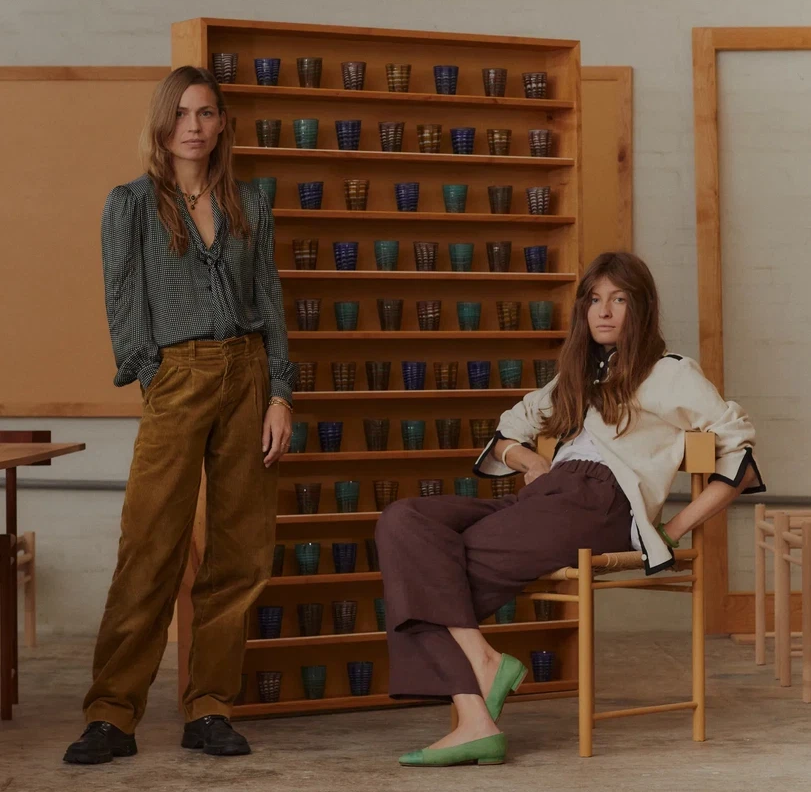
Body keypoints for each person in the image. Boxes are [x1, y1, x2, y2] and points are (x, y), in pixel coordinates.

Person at [376, 251, 765, 768]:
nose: (604, 311)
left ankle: (477, 706)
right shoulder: (576, 377)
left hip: (600, 502)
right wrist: (530, 460)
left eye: (620, 299)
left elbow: (739, 448)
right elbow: (511, 424)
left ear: (641, 309)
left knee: (422, 572)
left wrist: (671, 528)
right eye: (595, 299)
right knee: (403, 522)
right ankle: (481, 687)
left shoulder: (669, 373)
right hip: (550, 496)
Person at [64, 66, 296, 764]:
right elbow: (123, 301)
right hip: (177, 376)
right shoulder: (130, 204)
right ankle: (111, 713)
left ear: (221, 123)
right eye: (182, 113)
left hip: (249, 373)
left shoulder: (250, 200)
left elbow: (272, 300)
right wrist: (151, 374)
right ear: (163, 125)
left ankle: (210, 708)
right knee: (150, 547)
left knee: (241, 551)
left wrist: (280, 391)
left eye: (205, 112)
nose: (193, 125)